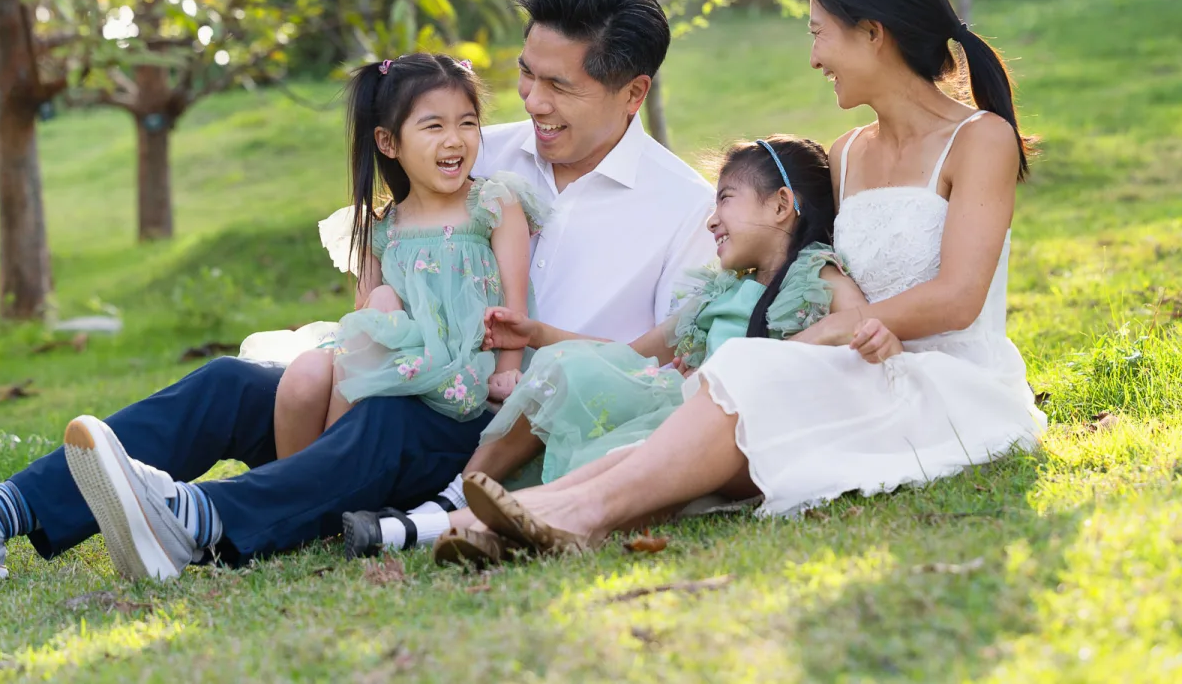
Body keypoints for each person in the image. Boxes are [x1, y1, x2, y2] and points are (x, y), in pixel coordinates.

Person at [0, 0, 714, 583]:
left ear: (632, 93)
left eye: (559, 87)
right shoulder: (479, 147)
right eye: (526, 75)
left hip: (499, 427)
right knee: (230, 384)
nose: (532, 102)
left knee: (397, 424)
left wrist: (531, 357)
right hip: (405, 385)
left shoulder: (682, 209)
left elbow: (671, 369)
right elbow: (393, 245)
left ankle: (198, 521)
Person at [444, 0, 1049, 558]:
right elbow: (813, 272)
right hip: (854, 364)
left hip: (945, 382)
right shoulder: (847, 153)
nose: (815, 57)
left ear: (872, 32)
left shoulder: (980, 139)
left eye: (820, 33)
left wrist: (822, 338)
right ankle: (528, 514)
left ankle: (574, 515)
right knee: (725, 390)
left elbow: (958, 298)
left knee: (751, 378)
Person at [352, 136, 903, 562]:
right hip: (678, 403)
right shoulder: (720, 290)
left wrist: (863, 335)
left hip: (717, 431)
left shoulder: (817, 276)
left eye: (727, 200)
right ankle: (455, 499)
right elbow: (635, 352)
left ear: (782, 205)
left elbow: (864, 325)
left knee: (621, 455)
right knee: (569, 369)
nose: (712, 218)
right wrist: (540, 336)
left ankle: (442, 527)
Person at [254, 56, 545, 458]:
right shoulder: (382, 226)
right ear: (388, 142)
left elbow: (515, 305)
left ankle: (321, 479)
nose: (455, 139)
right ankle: (295, 484)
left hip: (461, 366)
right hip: (396, 359)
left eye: (467, 122)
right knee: (304, 374)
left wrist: (509, 368)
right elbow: (362, 325)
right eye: (434, 126)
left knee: (382, 308)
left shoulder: (492, 203)